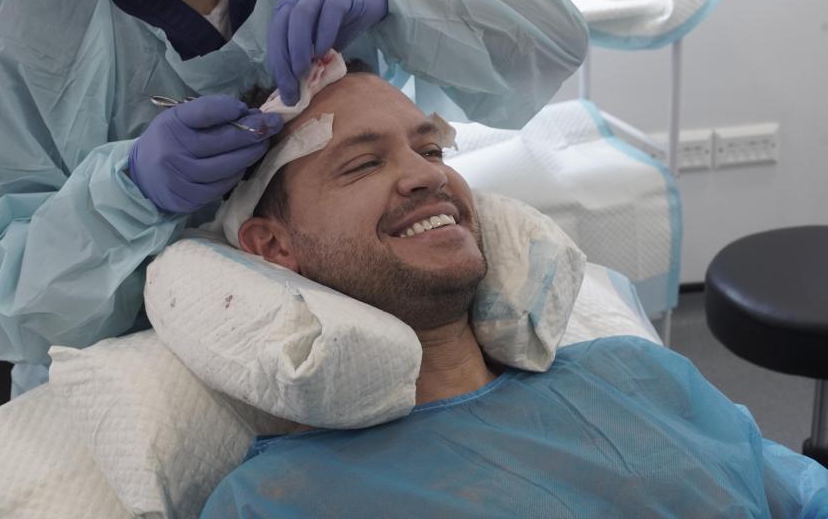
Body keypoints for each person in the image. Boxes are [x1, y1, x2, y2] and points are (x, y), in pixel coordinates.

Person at [0, 0, 589, 396]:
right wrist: (127, 195)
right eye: (358, 162)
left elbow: (548, 30)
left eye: (427, 146)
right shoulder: (11, 24)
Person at [200, 70, 828, 518]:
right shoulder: (279, 499)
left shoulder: (639, 375)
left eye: (431, 148)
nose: (428, 174)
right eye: (363, 164)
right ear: (273, 246)